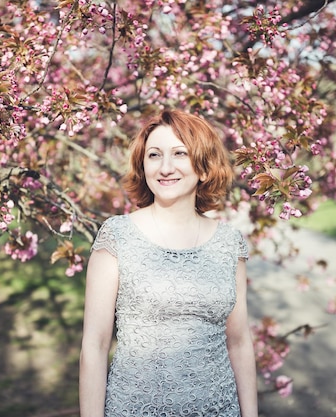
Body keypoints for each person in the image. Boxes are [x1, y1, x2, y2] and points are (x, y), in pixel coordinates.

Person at [79, 109, 258, 417]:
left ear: (203, 167)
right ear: (143, 166)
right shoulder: (117, 236)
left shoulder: (230, 244)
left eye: (179, 154)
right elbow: (94, 348)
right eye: (154, 155)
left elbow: (239, 343)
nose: (165, 167)